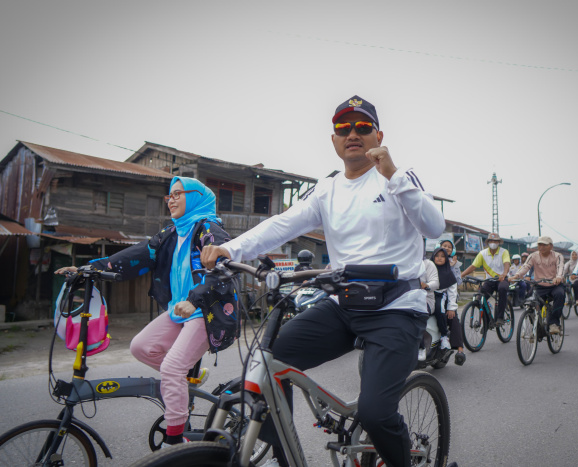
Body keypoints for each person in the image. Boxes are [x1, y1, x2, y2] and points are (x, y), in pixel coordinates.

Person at [201, 95, 445, 466]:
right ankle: (284, 453)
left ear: (378, 136)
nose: (352, 134)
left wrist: (393, 175)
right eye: (343, 128)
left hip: (396, 308)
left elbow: (434, 225)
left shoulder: (398, 177)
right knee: (268, 360)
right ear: (333, 139)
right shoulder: (327, 189)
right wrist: (229, 249)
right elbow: (282, 224)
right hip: (343, 303)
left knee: (376, 413)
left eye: (362, 127)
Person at [55, 177, 237, 447]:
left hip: (206, 311)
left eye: (177, 194)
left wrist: (195, 299)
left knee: (172, 367)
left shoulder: (209, 230)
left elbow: (224, 267)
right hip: (180, 310)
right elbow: (138, 254)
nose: (171, 200)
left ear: (195, 197)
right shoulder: (172, 233)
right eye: (169, 196)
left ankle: (175, 442)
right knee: (141, 347)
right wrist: (88, 269)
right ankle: (183, 379)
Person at [511, 236, 565, 334]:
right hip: (539, 286)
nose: (541, 247)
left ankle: (554, 323)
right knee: (530, 303)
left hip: (555, 285)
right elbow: (526, 266)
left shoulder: (558, 256)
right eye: (540, 244)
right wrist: (516, 275)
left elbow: (560, 267)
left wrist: (558, 277)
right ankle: (537, 327)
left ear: (551, 246)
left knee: (560, 295)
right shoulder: (533, 256)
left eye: (545, 245)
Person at [460, 232, 510, 327]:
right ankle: (487, 322)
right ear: (488, 242)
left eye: (495, 241)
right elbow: (473, 266)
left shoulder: (504, 252)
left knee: (503, 289)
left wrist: (504, 274)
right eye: (491, 241)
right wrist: (461, 275)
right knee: (480, 299)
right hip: (489, 281)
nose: (493, 243)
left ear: (499, 242)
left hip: (501, 279)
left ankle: (500, 317)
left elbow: (506, 263)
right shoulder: (482, 253)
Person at [430, 246, 465, 365]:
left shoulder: (448, 273)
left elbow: (452, 292)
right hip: (427, 296)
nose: (439, 258)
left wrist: (451, 308)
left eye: (442, 256)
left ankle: (447, 339)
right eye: (437, 256)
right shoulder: (428, 269)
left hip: (441, 297)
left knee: (445, 313)